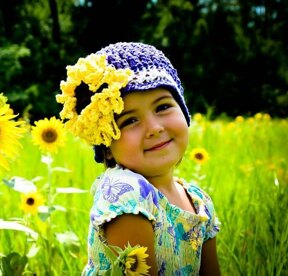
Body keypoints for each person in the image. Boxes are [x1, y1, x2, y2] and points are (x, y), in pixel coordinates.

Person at [56, 42, 220, 275]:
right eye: (130, 121)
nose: (154, 128)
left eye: (163, 106)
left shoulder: (199, 200)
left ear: (183, 111)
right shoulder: (126, 194)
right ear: (107, 147)